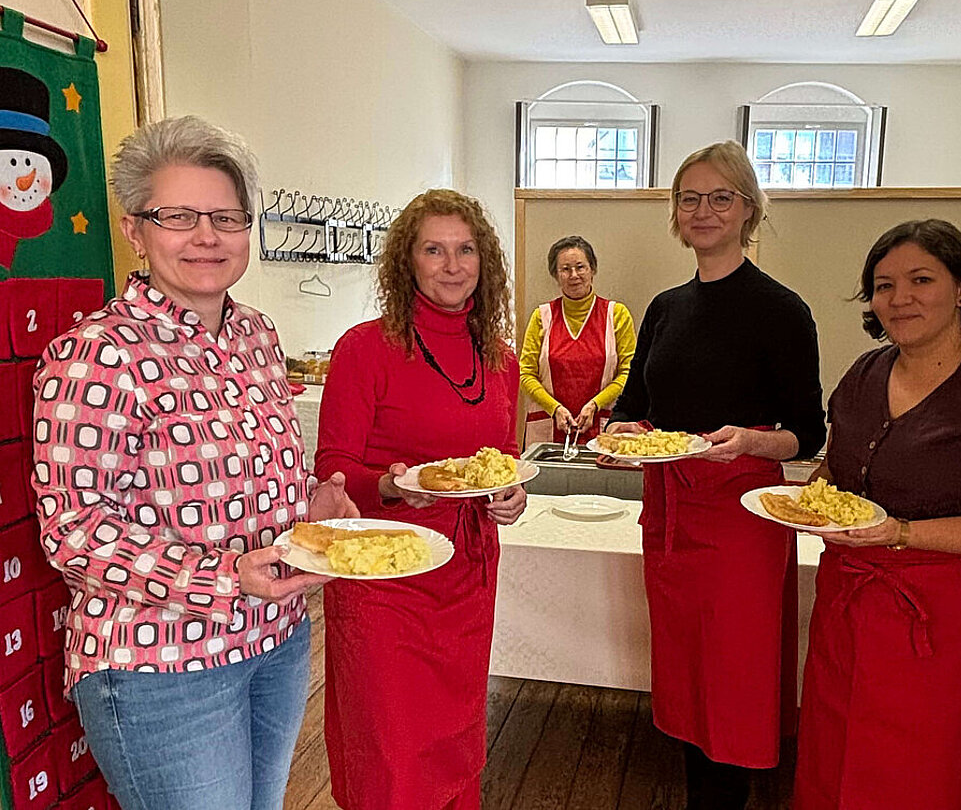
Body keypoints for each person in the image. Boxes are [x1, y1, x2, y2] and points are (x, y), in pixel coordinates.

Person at [31, 115, 357, 810]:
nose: (207, 236)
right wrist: (222, 576)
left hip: (277, 638)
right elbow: (76, 530)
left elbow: (254, 480)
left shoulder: (256, 334)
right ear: (135, 229)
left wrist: (311, 508)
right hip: (162, 664)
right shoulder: (97, 353)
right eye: (178, 215)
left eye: (226, 216)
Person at [792, 219, 961, 810]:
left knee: (926, 772)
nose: (900, 299)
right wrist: (807, 501)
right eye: (884, 285)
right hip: (849, 603)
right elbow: (836, 473)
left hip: (942, 620)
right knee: (834, 755)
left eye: (922, 279)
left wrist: (902, 533)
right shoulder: (864, 374)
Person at [608, 140, 826, 809]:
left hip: (742, 521)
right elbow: (634, 407)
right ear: (676, 214)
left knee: (733, 688)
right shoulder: (665, 308)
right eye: (689, 198)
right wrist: (624, 432)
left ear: (748, 210)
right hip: (670, 515)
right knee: (683, 679)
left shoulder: (782, 309)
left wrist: (752, 440)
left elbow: (807, 432)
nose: (703, 210)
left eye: (720, 197)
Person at [314, 188, 527, 810]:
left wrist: (506, 498)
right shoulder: (364, 348)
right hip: (387, 575)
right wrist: (388, 484)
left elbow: (497, 466)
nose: (452, 264)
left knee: (455, 740)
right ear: (407, 260)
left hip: (467, 573)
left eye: (465, 250)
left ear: (484, 261)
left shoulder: (501, 361)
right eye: (434, 249)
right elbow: (333, 467)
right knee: (390, 747)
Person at [519, 235, 636, 446]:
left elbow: (629, 372)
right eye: (565, 269)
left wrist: (594, 405)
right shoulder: (541, 317)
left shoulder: (616, 314)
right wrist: (554, 408)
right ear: (556, 275)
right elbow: (526, 372)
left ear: (592, 270)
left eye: (580, 267)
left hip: (603, 427)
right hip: (549, 428)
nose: (574, 275)